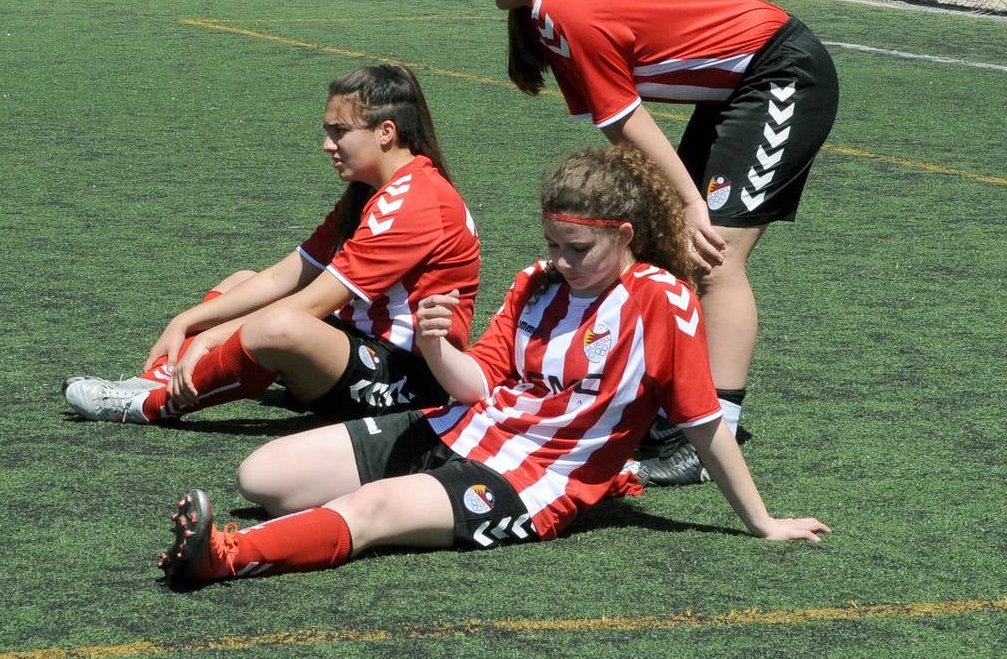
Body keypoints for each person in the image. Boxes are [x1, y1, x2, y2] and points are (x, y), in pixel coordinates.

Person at [157, 145, 829, 588]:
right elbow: (477, 384)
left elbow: (705, 424)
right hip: (465, 427)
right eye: (552, 244)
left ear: (624, 235)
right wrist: (433, 347)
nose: (558, 261)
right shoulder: (536, 281)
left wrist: (764, 522)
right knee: (264, 474)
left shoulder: (664, 302)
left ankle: (227, 556)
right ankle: (309, 524)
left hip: (536, 480)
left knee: (374, 509)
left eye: (576, 249)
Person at [468, 0, 839, 485]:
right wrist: (674, 206)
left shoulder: (564, 6)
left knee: (713, 257)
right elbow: (622, 130)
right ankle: (672, 410)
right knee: (676, 249)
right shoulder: (554, 1)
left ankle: (710, 436)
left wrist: (690, 203)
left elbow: (625, 120)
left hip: (780, 75)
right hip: (737, 89)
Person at [63, 63, 481, 425]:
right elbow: (292, 271)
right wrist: (187, 320)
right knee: (242, 282)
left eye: (340, 132)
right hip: (353, 348)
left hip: (405, 381)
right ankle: (160, 375)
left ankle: (151, 404)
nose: (327, 144)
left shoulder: (417, 200)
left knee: (275, 324)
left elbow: (314, 303)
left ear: (386, 132)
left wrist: (212, 338)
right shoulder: (378, 189)